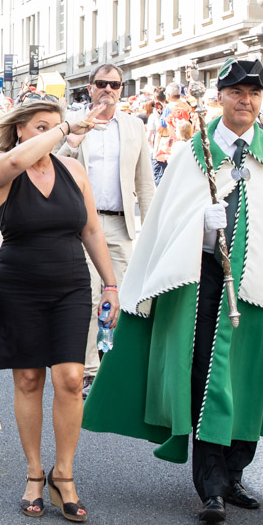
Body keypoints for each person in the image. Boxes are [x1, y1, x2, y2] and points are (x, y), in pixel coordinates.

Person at [86, 60, 263, 525]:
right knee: (208, 377)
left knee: (250, 377)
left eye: (253, 93)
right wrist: (201, 232)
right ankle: (209, 484)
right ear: (220, 97)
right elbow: (168, 220)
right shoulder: (194, 154)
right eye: (235, 92)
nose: (244, 101)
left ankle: (234, 472)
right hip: (203, 285)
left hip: (260, 290)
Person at [0, 94, 119, 524]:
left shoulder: (73, 171)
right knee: (27, 380)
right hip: (18, 285)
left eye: (54, 126)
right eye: (39, 126)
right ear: (21, 129)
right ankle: (33, 474)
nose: (49, 134)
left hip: (70, 286)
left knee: (71, 378)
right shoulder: (0, 168)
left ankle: (65, 474)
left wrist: (111, 284)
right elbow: (18, 161)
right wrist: (64, 129)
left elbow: (92, 230)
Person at [61, 62, 156, 393]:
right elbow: (55, 163)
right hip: (81, 223)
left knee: (119, 296)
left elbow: (145, 183)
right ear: (90, 88)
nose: (108, 90)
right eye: (101, 83)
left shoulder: (133, 127)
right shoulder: (74, 123)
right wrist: (74, 136)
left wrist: (152, 229)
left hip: (118, 223)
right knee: (87, 295)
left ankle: (112, 363)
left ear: (121, 89)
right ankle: (89, 369)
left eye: (115, 85)